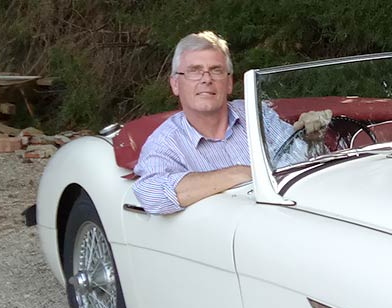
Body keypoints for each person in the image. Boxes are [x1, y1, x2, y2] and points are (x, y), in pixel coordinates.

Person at [133, 31, 329, 215]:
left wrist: (313, 139)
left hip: (287, 215)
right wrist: (238, 174)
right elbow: (150, 194)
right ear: (175, 84)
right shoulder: (165, 142)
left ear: (229, 83)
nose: (206, 79)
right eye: (194, 71)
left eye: (216, 70)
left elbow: (299, 162)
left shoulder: (255, 114)